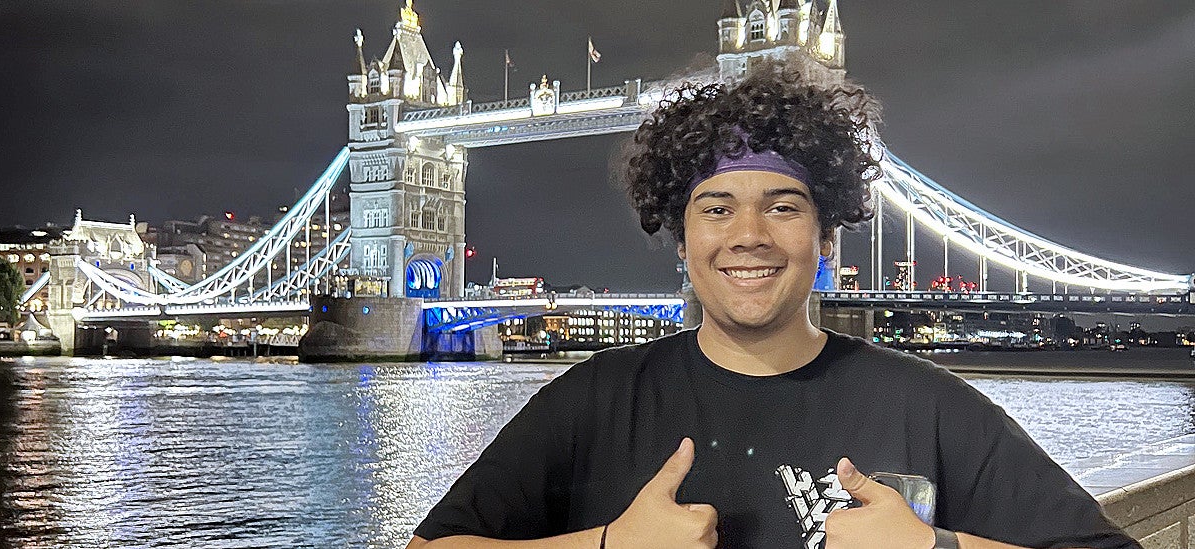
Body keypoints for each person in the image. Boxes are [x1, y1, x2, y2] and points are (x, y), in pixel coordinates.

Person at [406, 60, 1141, 549]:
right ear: (682, 239)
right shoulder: (591, 400)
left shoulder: (931, 407)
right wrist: (604, 544)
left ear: (826, 238)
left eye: (783, 207)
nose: (749, 236)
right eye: (717, 209)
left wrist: (935, 545)